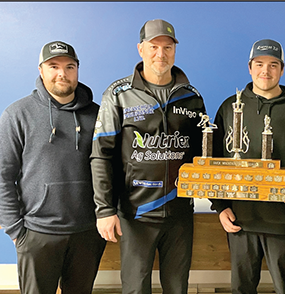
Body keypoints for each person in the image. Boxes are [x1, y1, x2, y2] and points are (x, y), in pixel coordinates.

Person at [91, 19, 206, 294]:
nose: (160, 54)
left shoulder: (191, 97)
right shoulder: (118, 95)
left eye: (167, 47)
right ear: (140, 49)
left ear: (175, 51)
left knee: (177, 287)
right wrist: (104, 208)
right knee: (135, 288)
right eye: (154, 47)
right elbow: (101, 155)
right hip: (136, 214)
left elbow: (203, 157)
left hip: (179, 213)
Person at [210, 39, 285, 294]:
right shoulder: (230, 108)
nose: (265, 71)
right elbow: (215, 161)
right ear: (250, 67)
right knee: (241, 289)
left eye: (273, 65)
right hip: (241, 222)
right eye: (259, 64)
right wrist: (220, 206)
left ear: (282, 69)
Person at [0, 41, 105, 293]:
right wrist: (16, 230)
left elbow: (109, 170)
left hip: (87, 233)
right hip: (37, 233)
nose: (62, 73)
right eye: (54, 66)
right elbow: (3, 175)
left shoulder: (98, 115)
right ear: (41, 70)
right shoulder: (18, 114)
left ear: (77, 70)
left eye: (70, 66)